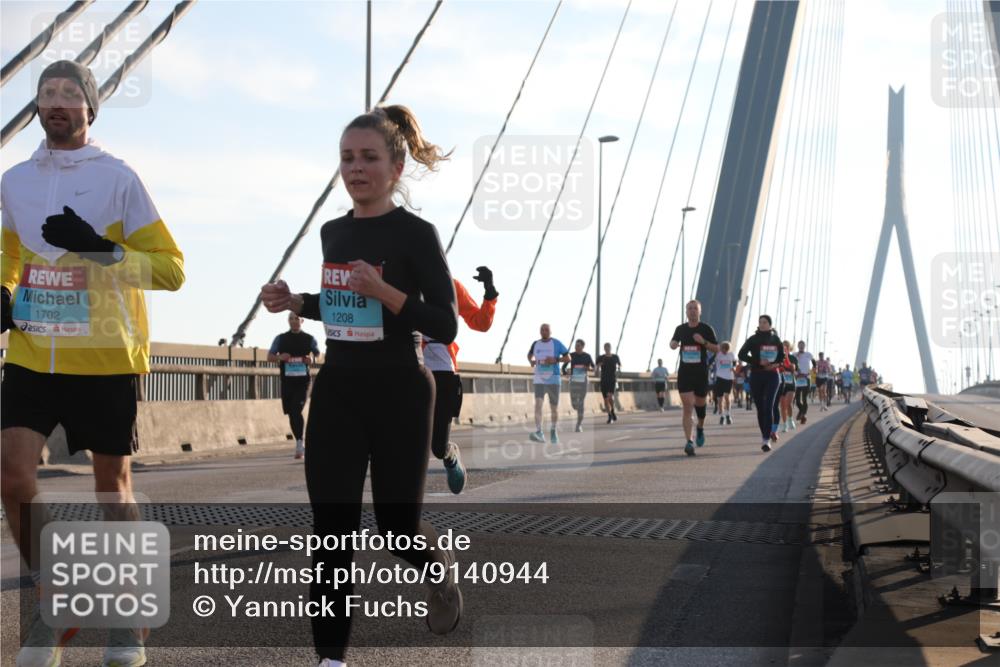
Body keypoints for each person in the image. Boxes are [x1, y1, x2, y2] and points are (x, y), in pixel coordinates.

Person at [259, 104, 462, 666]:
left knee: (397, 529)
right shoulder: (334, 231)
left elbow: (444, 323)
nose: (356, 168)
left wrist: (386, 291)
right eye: (347, 157)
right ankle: (331, 661)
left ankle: (436, 571)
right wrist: (297, 301)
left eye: (369, 157)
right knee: (332, 537)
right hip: (340, 390)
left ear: (396, 167)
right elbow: (341, 305)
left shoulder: (416, 235)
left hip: (400, 388)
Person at [1, 60, 185, 667]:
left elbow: (171, 270)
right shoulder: (13, 182)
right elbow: (6, 259)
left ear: (90, 109)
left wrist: (100, 248)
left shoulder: (118, 180)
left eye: (69, 94)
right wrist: (2, 292)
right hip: (32, 351)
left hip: (105, 354)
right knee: (11, 474)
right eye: (46, 93)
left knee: (112, 490)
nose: (56, 102)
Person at [422, 268, 498, 494]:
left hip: (444, 371)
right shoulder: (398, 280)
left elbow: (480, 322)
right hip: (410, 367)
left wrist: (489, 292)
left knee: (437, 447)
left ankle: (450, 455)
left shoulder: (451, 286)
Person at [268, 312, 321, 459]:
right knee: (291, 412)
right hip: (287, 382)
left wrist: (311, 358)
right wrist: (279, 357)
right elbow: (269, 356)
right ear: (288, 321)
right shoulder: (280, 339)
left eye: (296, 318)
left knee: (296, 409)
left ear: (302, 321)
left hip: (303, 382)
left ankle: (300, 443)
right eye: (291, 318)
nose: (294, 321)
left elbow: (318, 354)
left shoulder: (309, 339)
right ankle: (299, 440)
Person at [669, 300, 719, 455]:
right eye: (689, 308)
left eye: (695, 309)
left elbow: (717, 348)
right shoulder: (681, 329)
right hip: (685, 372)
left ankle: (700, 427)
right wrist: (672, 344)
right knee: (687, 407)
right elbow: (673, 342)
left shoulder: (706, 329)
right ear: (686, 311)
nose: (692, 311)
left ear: (700, 311)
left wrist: (703, 342)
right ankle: (689, 441)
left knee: (700, 407)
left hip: (700, 373)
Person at [738, 315, 785, 452]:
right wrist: (758, 362)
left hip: (772, 375)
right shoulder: (753, 339)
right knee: (760, 408)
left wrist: (775, 364)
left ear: (770, 325)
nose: (762, 324)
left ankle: (766, 440)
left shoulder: (775, 339)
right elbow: (741, 355)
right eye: (760, 322)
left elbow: (782, 356)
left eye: (765, 322)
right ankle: (764, 435)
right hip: (757, 375)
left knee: (769, 406)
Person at [527, 323, 570, 443]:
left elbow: (568, 358)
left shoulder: (556, 343)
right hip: (539, 378)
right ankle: (539, 432)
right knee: (538, 405)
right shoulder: (536, 344)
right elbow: (529, 354)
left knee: (553, 408)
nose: (544, 331)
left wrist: (556, 360)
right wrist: (531, 361)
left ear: (550, 332)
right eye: (542, 329)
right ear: (540, 332)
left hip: (554, 379)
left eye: (546, 330)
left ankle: (553, 430)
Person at [563, 339, 595, 432]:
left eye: (578, 346)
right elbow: (563, 367)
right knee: (574, 404)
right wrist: (566, 373)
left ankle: (578, 425)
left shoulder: (587, 356)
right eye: (575, 346)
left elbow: (594, 368)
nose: (576, 347)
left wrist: (589, 368)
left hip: (583, 382)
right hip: (573, 381)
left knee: (581, 403)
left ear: (582, 346)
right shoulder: (571, 355)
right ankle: (577, 408)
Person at [596, 343, 622, 424]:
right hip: (603, 380)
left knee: (610, 397)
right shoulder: (601, 357)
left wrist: (619, 368)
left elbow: (620, 365)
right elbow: (596, 367)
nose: (607, 348)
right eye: (605, 347)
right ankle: (610, 415)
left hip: (612, 380)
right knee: (605, 399)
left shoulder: (615, 357)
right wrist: (598, 365)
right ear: (604, 348)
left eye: (608, 347)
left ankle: (613, 410)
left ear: (610, 348)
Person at [713, 341, 737, 425]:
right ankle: (722, 416)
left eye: (727, 350)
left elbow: (734, 363)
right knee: (719, 398)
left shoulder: (731, 355)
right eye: (723, 349)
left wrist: (733, 367)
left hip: (729, 378)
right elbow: (712, 360)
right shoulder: (718, 354)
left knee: (727, 396)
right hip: (720, 377)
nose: (725, 351)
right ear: (721, 348)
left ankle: (728, 415)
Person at [793, 340, 815, 424]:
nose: (801, 346)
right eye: (800, 345)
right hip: (798, 378)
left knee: (804, 398)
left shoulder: (808, 354)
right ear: (798, 346)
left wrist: (813, 369)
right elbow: (792, 365)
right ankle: (802, 412)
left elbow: (814, 363)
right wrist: (795, 373)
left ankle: (803, 415)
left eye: (803, 345)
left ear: (804, 346)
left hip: (806, 378)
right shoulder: (794, 355)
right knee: (797, 400)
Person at [779, 341, 797, 432]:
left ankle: (790, 419)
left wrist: (788, 363)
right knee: (782, 405)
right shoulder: (778, 357)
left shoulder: (792, 357)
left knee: (788, 403)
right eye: (783, 346)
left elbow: (793, 369)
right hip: (781, 383)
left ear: (789, 348)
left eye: (786, 347)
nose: (784, 348)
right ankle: (785, 424)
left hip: (790, 383)